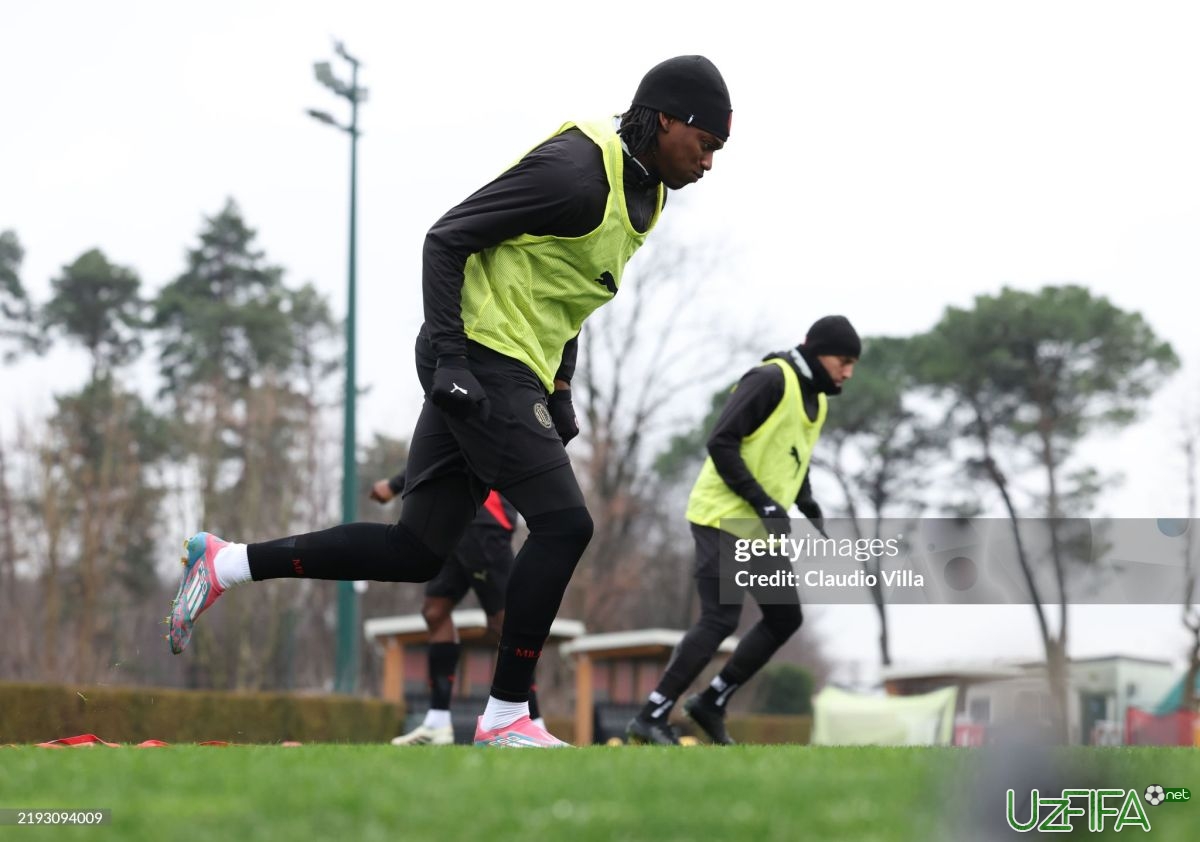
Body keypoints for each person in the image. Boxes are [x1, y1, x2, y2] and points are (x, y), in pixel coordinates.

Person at [166, 55, 732, 748]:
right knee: (565, 525)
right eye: (704, 145)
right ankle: (505, 716)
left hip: (515, 363)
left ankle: (225, 562)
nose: (708, 164)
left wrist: (560, 385)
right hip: (480, 356)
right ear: (667, 120)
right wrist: (454, 362)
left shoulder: (648, 195)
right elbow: (446, 238)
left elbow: (571, 291)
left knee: (414, 551)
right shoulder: (575, 172)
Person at [626, 316, 860, 746]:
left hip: (759, 525)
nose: (848, 372)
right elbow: (721, 441)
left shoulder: (818, 401)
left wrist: (804, 499)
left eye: (853, 364)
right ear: (816, 350)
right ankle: (651, 714)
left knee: (784, 616)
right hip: (722, 514)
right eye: (842, 361)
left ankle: (711, 701)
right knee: (720, 617)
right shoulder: (770, 379)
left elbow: (795, 454)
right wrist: (763, 501)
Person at [367, 474, 545, 745]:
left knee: (506, 624)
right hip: (454, 524)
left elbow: (442, 456)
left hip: (485, 523)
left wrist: (393, 485)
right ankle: (437, 723)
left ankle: (532, 721)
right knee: (435, 611)